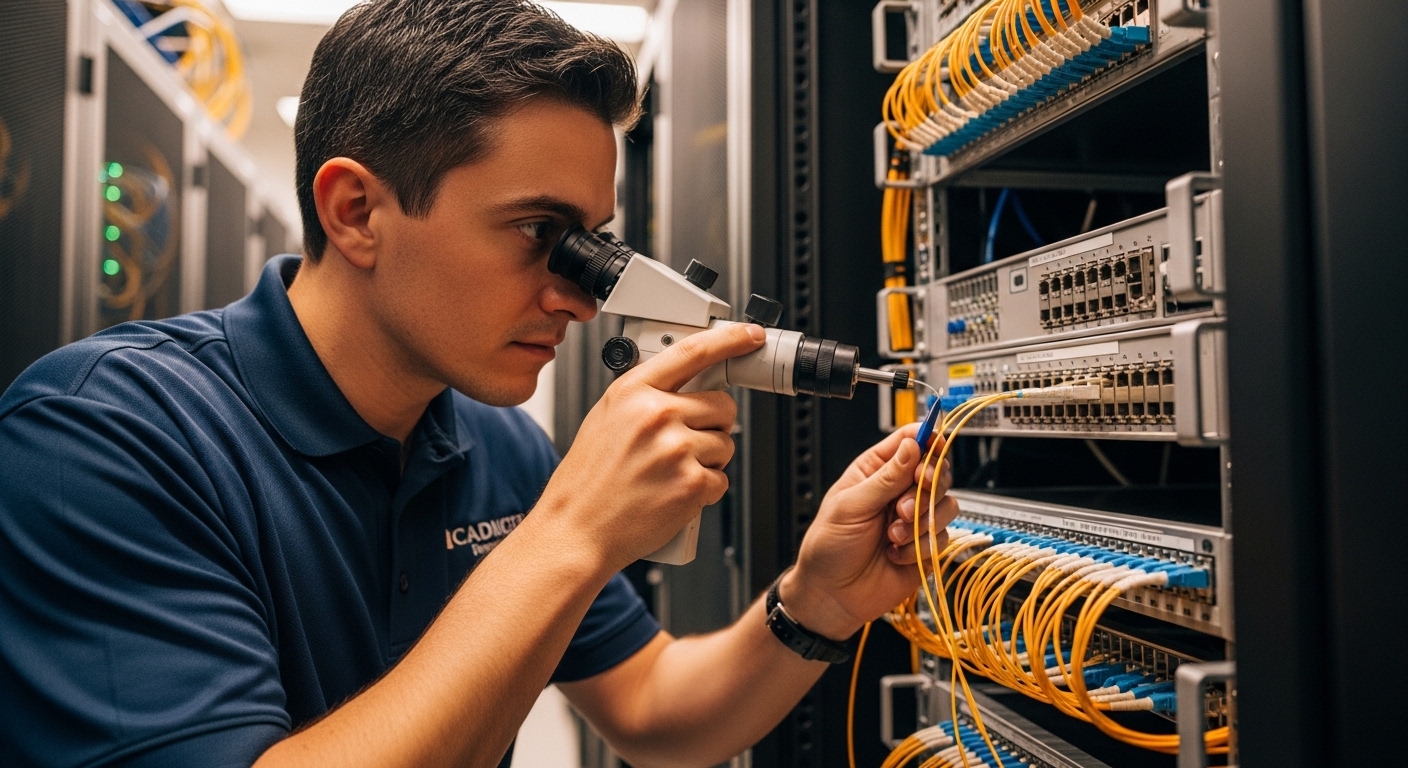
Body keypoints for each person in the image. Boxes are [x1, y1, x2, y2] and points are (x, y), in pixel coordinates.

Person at [0, 2, 959, 766]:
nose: (580, 298)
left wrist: (818, 602)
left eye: (592, 244)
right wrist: (573, 533)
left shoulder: (493, 445)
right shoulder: (99, 437)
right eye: (541, 234)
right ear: (356, 211)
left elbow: (654, 710)